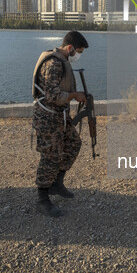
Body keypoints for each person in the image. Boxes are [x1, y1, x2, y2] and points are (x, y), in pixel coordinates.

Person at [32, 31, 89, 217]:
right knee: (50, 156)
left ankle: (57, 183)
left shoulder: (62, 61)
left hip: (60, 116)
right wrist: (74, 95)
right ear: (70, 48)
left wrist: (75, 95)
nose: (78, 56)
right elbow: (53, 96)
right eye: (78, 52)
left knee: (73, 144)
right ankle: (42, 197)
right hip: (48, 118)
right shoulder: (53, 64)